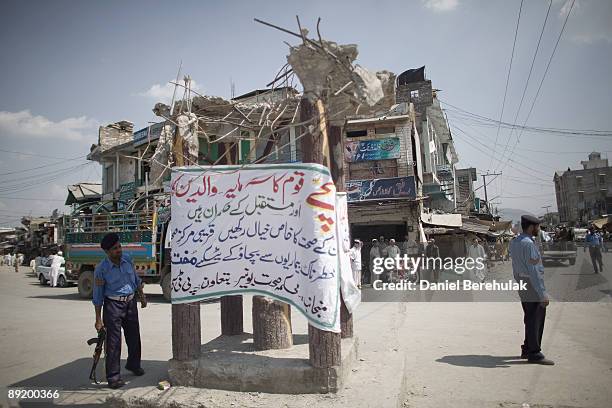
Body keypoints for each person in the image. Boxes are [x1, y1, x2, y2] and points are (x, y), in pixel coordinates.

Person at [93, 233, 147, 389]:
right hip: (112, 306)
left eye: (119, 247)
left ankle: (133, 365)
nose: (119, 250)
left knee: (134, 337)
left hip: (130, 303)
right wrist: (98, 319)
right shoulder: (101, 270)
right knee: (113, 343)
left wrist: (142, 297)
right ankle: (113, 377)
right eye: (115, 249)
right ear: (107, 252)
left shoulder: (128, 260)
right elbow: (98, 295)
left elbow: (136, 280)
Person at [509, 215, 554, 365]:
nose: (539, 229)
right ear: (531, 227)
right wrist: (542, 294)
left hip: (522, 282)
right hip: (530, 283)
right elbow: (534, 271)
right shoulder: (528, 244)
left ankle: (527, 348)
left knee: (529, 316)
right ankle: (534, 353)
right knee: (536, 318)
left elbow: (515, 266)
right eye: (538, 227)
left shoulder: (515, 242)